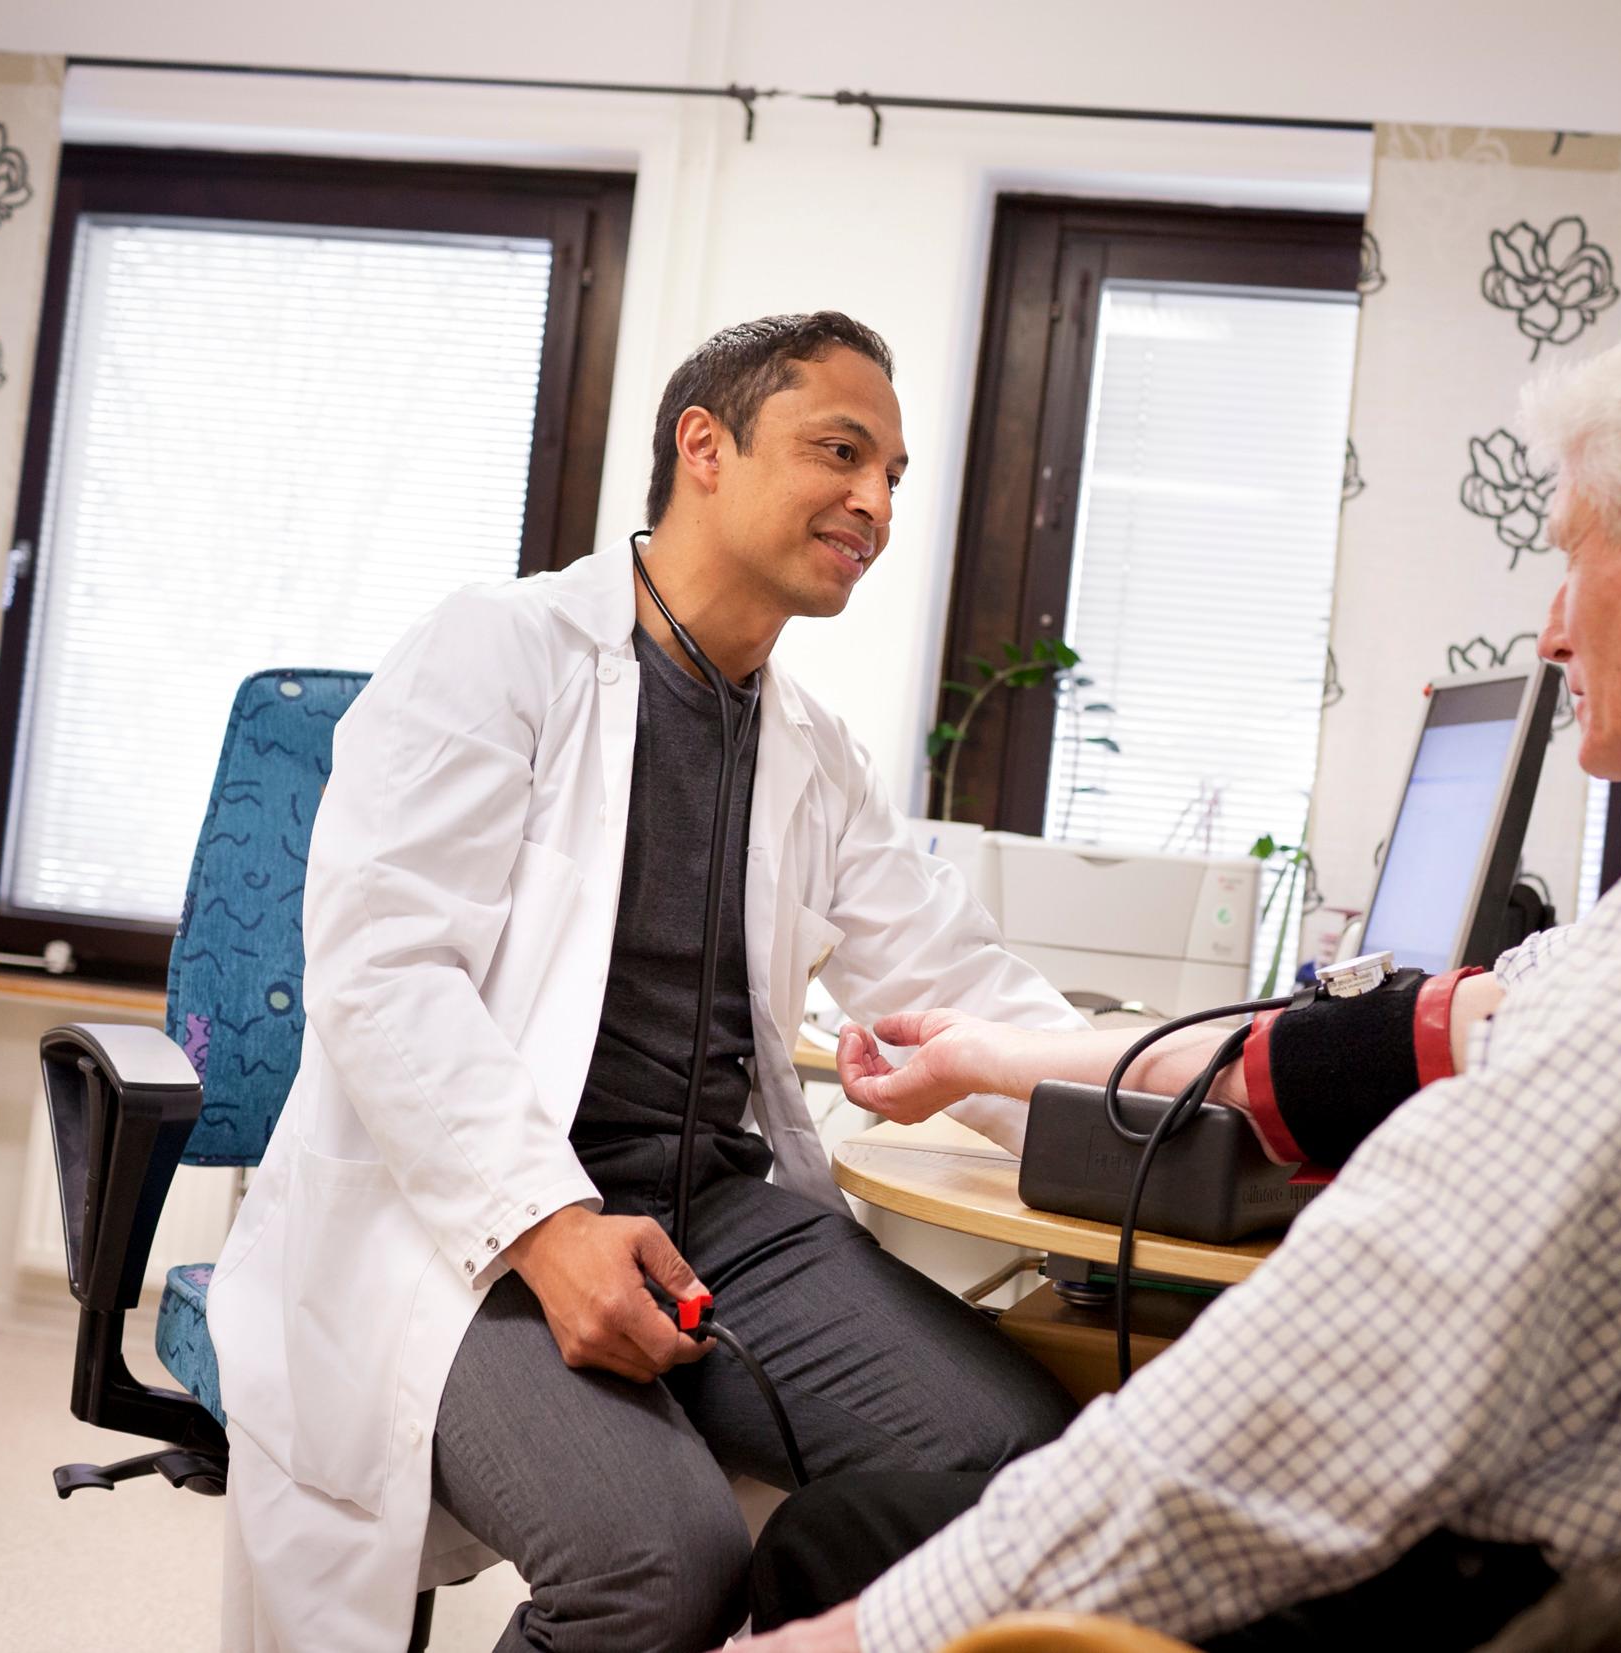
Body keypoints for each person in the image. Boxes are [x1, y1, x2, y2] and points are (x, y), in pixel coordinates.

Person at [734, 302, 1621, 1653]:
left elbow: (1376, 1344)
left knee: (839, 1550)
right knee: (902, 1513)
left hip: (1566, 1587)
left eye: (1572, 560)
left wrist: (872, 1636)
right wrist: (1001, 1059)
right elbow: (1435, 1054)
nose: (1555, 630)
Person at [207, 313, 1083, 1653]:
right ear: (705, 448)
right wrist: (550, 1227)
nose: (875, 501)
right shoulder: (498, 651)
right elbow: (386, 971)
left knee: (1031, 1470)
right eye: (840, 452)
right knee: (659, 1562)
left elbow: (957, 976)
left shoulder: (808, 746)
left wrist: (1159, 1106)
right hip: (465, 1224)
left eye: (895, 475)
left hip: (713, 1214)